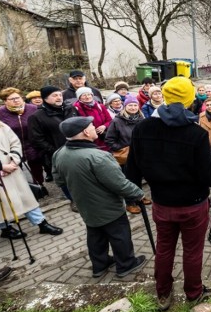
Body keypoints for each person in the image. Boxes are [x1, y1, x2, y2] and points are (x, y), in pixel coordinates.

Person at [126, 76, 211, 308]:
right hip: (192, 205)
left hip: (162, 202)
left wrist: (134, 197)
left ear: (165, 97)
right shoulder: (195, 134)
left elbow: (132, 170)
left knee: (164, 249)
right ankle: (193, 293)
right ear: (190, 100)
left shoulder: (142, 128)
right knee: (192, 251)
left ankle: (163, 294)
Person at [52, 117, 146, 279]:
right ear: (86, 132)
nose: (95, 127)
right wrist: (138, 193)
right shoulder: (98, 156)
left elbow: (59, 180)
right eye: (92, 126)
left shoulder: (59, 153)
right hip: (107, 205)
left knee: (95, 234)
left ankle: (99, 265)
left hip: (85, 205)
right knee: (119, 235)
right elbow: (119, 184)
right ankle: (126, 264)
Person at [0, 118, 63, 239]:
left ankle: (42, 224)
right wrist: (1, 166)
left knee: (26, 198)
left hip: (12, 168)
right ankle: (5, 228)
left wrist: (14, 160)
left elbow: (14, 141)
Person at [28, 86, 76, 208]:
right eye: (54, 95)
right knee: (64, 179)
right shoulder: (36, 117)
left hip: (77, 149)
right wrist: (54, 151)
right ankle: (73, 200)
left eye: (60, 95)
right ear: (45, 98)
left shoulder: (70, 108)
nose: (59, 97)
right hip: (56, 154)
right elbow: (36, 140)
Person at [0, 88, 46, 193]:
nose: (16, 100)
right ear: (5, 101)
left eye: (18, 97)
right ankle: (23, 190)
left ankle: (39, 185)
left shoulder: (33, 108)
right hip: (12, 146)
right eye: (12, 99)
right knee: (17, 168)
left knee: (36, 167)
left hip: (32, 144)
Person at [104, 97, 148, 214]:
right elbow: (109, 140)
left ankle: (139, 197)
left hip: (141, 154)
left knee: (139, 177)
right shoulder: (117, 121)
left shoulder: (142, 119)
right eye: (130, 105)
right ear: (125, 106)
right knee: (129, 180)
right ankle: (130, 203)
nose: (133, 108)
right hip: (127, 156)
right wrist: (121, 148)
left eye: (135, 105)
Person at [73, 87, 113, 151]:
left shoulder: (100, 106)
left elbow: (110, 120)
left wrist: (104, 126)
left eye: (89, 94)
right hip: (89, 140)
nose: (87, 97)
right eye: (84, 95)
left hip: (103, 137)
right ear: (79, 97)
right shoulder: (76, 109)